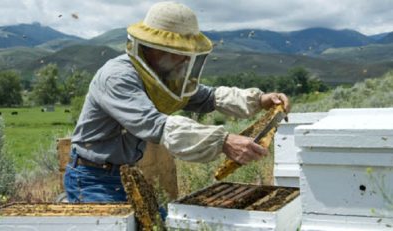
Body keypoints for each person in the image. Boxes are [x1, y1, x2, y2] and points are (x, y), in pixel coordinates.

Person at [64, 1, 290, 203]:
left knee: (161, 224)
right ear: (154, 47)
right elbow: (155, 125)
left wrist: (260, 100)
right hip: (92, 177)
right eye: (178, 51)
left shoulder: (161, 74)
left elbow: (206, 97)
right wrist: (223, 141)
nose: (183, 59)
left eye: (187, 52)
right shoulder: (118, 77)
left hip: (125, 174)